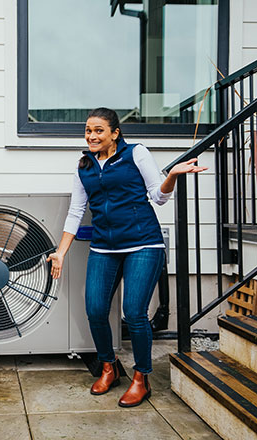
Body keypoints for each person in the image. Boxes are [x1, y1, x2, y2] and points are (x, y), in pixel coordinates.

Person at [47, 107, 206, 407]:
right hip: (104, 246)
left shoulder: (136, 153)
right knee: (95, 309)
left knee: (134, 312)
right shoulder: (84, 165)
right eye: (88, 131)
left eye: (99, 131)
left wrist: (171, 175)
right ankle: (109, 366)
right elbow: (76, 211)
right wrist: (61, 251)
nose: (92, 136)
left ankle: (141, 376)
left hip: (142, 243)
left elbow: (158, 196)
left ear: (115, 133)